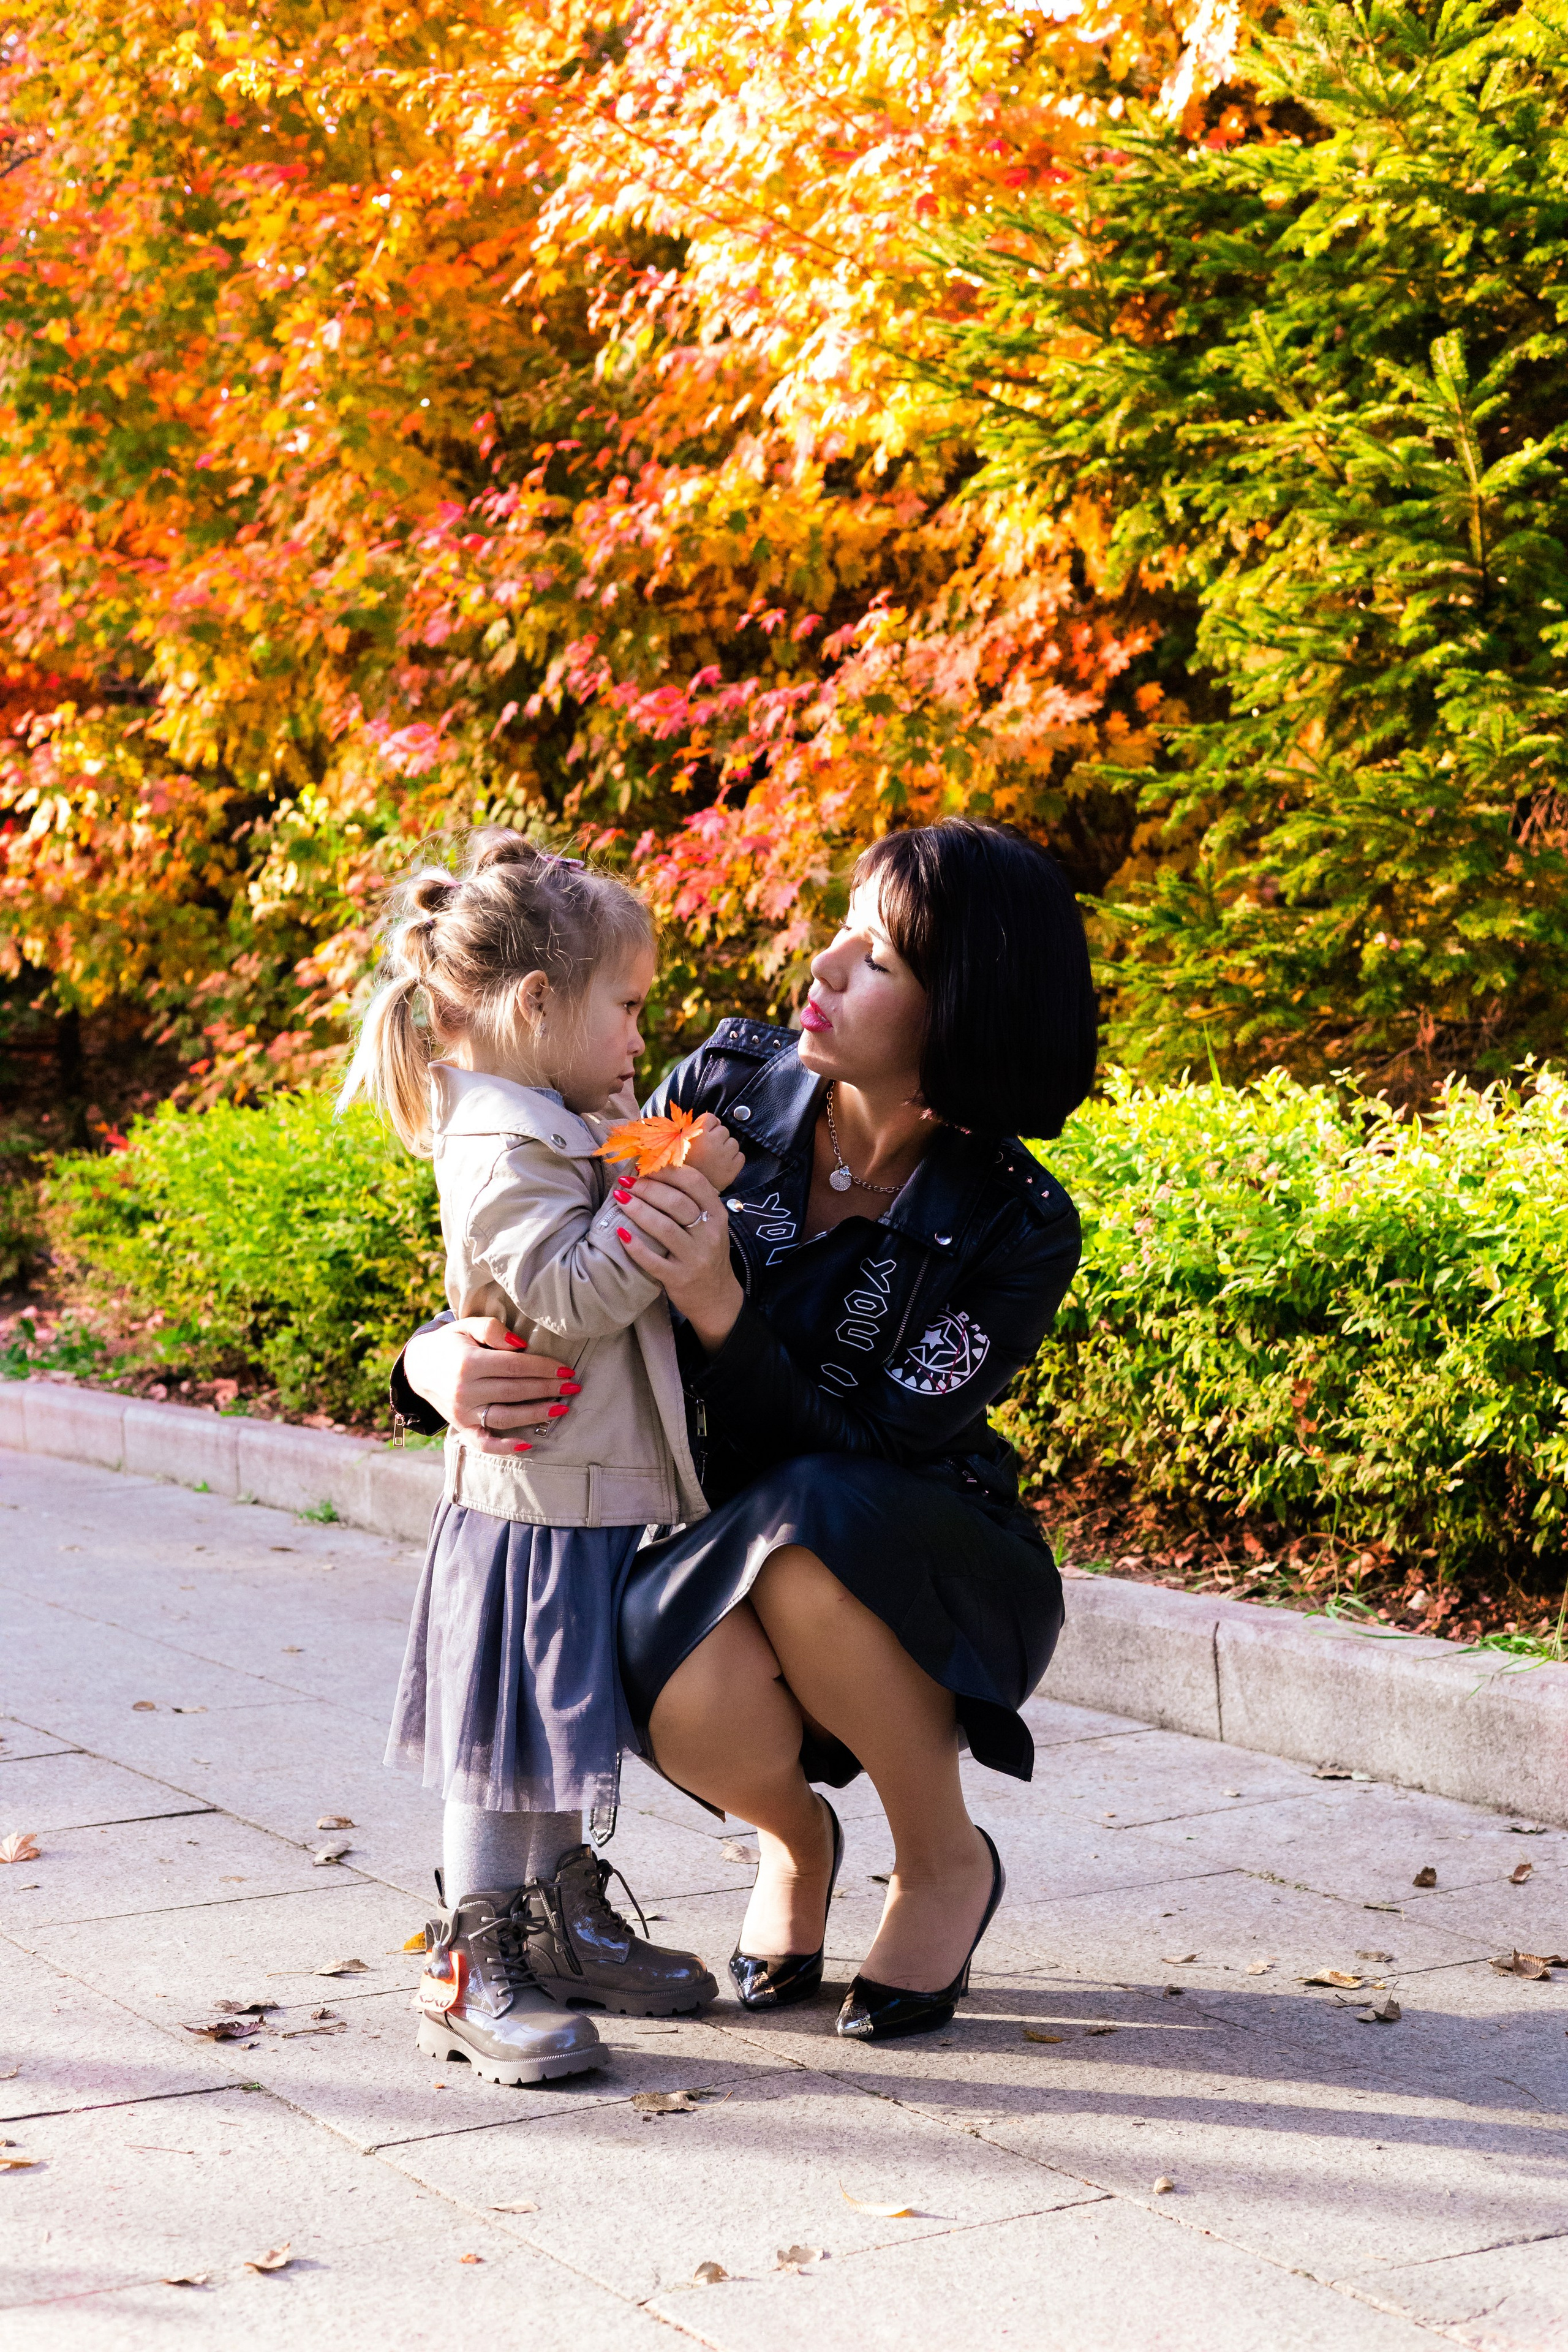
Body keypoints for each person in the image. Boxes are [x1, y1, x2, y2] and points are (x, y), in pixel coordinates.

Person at [395, 818, 1095, 2043]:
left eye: (874, 959)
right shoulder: (722, 1087)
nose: (821, 967)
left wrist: (721, 1306)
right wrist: (428, 1359)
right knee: (642, 1643)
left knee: (813, 1525)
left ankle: (939, 1859)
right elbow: (536, 1234)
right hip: (723, 1542)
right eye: (840, 933)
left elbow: (877, 1448)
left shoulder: (1014, 1224)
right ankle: (794, 1840)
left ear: (962, 1007)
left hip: (923, 1557)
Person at [339, 828, 744, 2087]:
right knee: (509, 1737)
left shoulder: (552, 1117)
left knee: (555, 1725)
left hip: (570, 1488)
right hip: (526, 1495)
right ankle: (473, 1966)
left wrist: (632, 1147)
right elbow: (568, 1295)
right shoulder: (500, 1139)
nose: (640, 1037)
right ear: (535, 1004)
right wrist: (674, 1196)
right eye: (624, 1008)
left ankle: (557, 1923)